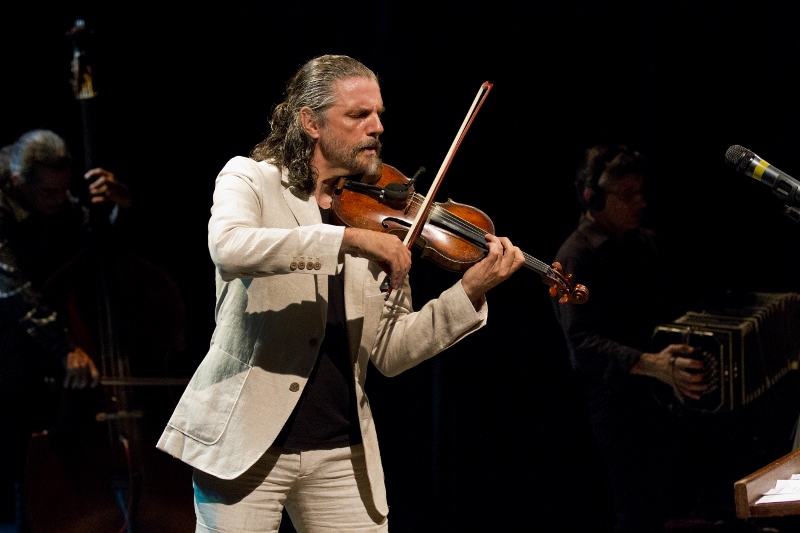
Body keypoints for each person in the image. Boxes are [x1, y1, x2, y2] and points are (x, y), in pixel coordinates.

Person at [156, 54, 525, 532]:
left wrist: (468, 293)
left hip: (341, 454)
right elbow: (229, 248)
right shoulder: (250, 178)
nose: (377, 127)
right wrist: (346, 239)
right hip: (245, 443)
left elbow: (390, 351)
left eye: (379, 114)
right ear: (311, 122)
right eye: (358, 115)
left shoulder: (381, 210)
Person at [550, 144, 727, 533]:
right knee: (639, 516)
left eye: (641, 191)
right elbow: (581, 344)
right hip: (620, 410)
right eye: (628, 194)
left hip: (668, 399)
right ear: (592, 198)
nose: (641, 202)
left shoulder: (645, 242)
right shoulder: (575, 257)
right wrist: (654, 365)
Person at [0, 129, 131, 531]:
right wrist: (66, 347)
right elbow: (12, 290)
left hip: (39, 332)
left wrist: (116, 210)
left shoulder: (53, 197)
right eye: (49, 193)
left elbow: (91, 238)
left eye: (64, 190)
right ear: (18, 181)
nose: (61, 200)